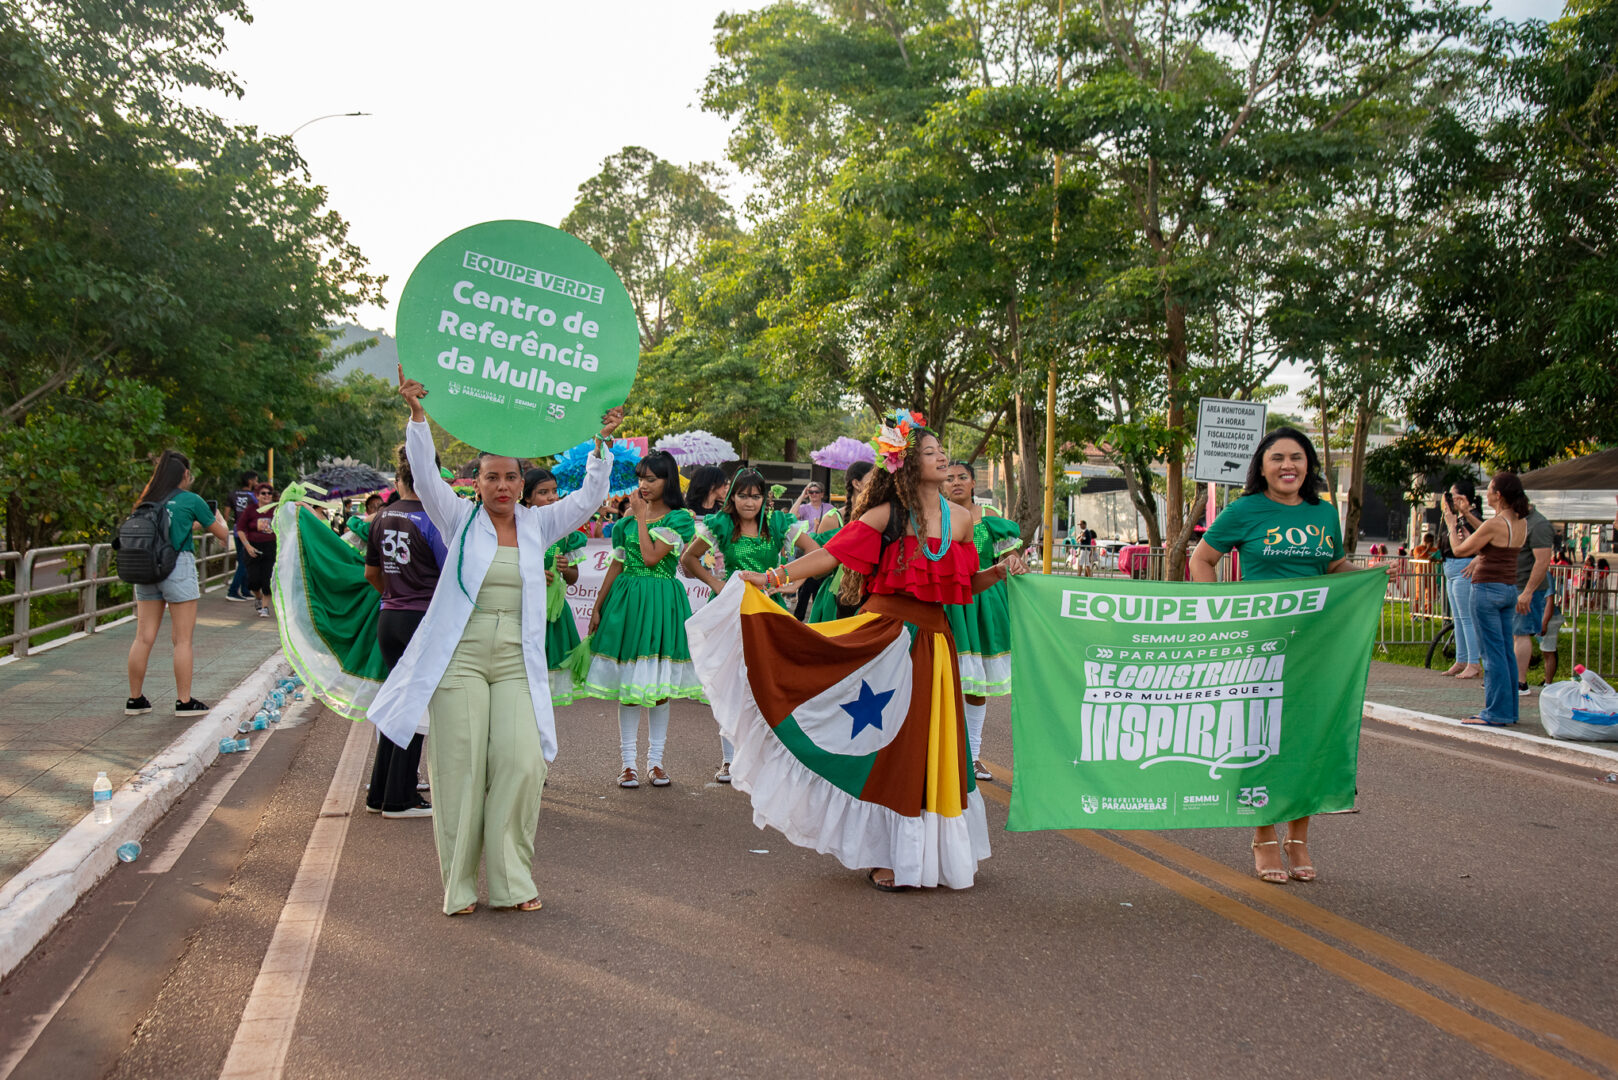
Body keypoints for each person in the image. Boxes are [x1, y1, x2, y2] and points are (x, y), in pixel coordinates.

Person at [715, 409, 1028, 891]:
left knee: (930, 745)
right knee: (893, 749)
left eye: (942, 450)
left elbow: (965, 584)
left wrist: (1004, 570)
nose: (943, 457)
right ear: (905, 464)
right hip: (885, 639)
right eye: (930, 452)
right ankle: (887, 853)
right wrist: (774, 578)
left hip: (935, 646)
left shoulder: (964, 520)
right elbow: (830, 554)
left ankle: (926, 853)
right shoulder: (887, 514)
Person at [368, 370, 623, 915]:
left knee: (522, 763)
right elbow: (428, 478)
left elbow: (588, 499)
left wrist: (601, 445)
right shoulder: (458, 519)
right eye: (492, 477)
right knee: (458, 772)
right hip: (458, 664)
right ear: (477, 484)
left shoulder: (538, 524)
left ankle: (511, 881)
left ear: (520, 483)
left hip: (514, 667)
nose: (503, 486)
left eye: (511, 477)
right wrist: (417, 415)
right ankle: (459, 887)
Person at [1190, 427, 1392, 886]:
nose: (1288, 466)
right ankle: (1263, 836)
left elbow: (1333, 567)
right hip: (1258, 645)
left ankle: (1299, 836)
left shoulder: (1323, 513)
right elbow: (1201, 561)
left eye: (1296, 458)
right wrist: (1220, 614)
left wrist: (1367, 574)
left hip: (1318, 645)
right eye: (1277, 457)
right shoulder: (1245, 510)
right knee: (1258, 737)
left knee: (1309, 739)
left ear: (1309, 465)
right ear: (1261, 467)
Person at [680, 467, 822, 782]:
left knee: (769, 684)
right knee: (732, 685)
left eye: (756, 496)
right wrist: (717, 585)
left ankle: (768, 759)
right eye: (743, 495)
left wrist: (793, 583)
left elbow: (817, 553)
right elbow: (689, 559)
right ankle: (730, 760)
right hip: (730, 612)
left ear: (763, 498)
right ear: (732, 497)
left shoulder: (778, 523)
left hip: (769, 614)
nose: (749, 502)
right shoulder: (720, 525)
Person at [579, 450, 706, 788]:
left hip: (662, 602)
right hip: (627, 603)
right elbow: (617, 564)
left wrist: (638, 516)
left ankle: (656, 762)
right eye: (641, 478)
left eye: (652, 478)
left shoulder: (679, 519)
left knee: (659, 687)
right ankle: (627, 764)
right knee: (630, 686)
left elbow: (651, 559)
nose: (643, 485)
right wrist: (598, 605)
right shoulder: (622, 524)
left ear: (668, 480)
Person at [363, 443, 445, 819]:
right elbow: (449, 578)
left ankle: (379, 791)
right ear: (433, 476)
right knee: (413, 708)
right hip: (422, 619)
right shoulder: (434, 519)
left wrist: (394, 596)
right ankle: (401, 796)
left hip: (389, 618)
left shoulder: (381, 516)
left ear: (399, 478)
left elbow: (372, 574)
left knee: (398, 702)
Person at [125, 450, 233, 716]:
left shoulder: (146, 501)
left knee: (143, 637)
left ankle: (135, 700)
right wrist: (216, 517)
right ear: (184, 474)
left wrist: (191, 524)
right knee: (182, 639)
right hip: (177, 566)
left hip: (147, 568)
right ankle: (184, 702)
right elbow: (222, 534)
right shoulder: (191, 500)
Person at [942, 461, 1022, 782]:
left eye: (963, 477)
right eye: (949, 478)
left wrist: (1015, 562)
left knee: (976, 685)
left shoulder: (991, 520)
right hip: (947, 603)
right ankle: (943, 753)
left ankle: (973, 756)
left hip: (984, 605)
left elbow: (1012, 561)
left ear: (974, 482)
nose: (956, 482)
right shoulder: (936, 516)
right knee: (942, 677)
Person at [1442, 471, 1529, 727]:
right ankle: (1509, 710)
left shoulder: (1495, 524)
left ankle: (1495, 712)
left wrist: (1450, 522)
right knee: (1505, 652)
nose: (1486, 493)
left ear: (1498, 495)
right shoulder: (1519, 523)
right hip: (1508, 588)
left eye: (1490, 489)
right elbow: (1490, 534)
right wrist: (1467, 515)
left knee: (1491, 655)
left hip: (1487, 589)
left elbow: (1459, 550)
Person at [523, 467, 589, 704]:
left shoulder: (564, 530)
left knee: (546, 691)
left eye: (554, 491)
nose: (552, 497)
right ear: (527, 496)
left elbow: (573, 578)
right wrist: (532, 574)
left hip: (554, 614)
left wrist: (565, 567)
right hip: (523, 610)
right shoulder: (514, 526)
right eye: (543, 492)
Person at [806, 461, 875, 623]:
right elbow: (817, 570)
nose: (877, 482)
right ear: (857, 483)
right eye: (873, 478)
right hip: (835, 595)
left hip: (870, 595)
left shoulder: (880, 516)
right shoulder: (833, 519)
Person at [1438, 480, 1483, 679]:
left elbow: (1468, 544)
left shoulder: (1472, 518)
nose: (1450, 501)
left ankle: (1474, 662)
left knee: (1466, 618)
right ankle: (1462, 659)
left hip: (1463, 567)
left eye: (1454, 497)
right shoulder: (1453, 518)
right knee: (1458, 618)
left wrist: (1454, 521)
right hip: (1450, 566)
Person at [1512, 500, 1554, 696]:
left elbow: (1543, 561)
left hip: (1527, 588)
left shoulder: (1538, 524)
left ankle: (1520, 682)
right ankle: (1512, 677)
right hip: (1513, 584)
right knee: (1514, 633)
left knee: (1521, 632)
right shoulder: (1516, 520)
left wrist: (1528, 592)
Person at [236, 481, 278, 618]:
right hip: (253, 546)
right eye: (263, 493)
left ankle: (265, 607)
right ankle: (258, 597)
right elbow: (241, 529)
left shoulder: (276, 510)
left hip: (271, 547)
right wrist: (247, 546)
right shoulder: (250, 510)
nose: (267, 496)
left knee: (267, 580)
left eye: (269, 493)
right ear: (257, 495)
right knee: (253, 581)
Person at [226, 470, 258, 602]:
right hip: (248, 533)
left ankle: (245, 590)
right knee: (245, 562)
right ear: (250, 481)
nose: (256, 483)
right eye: (255, 480)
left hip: (236, 530)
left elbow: (226, 515)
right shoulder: (253, 496)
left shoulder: (232, 494)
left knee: (243, 560)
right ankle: (233, 591)